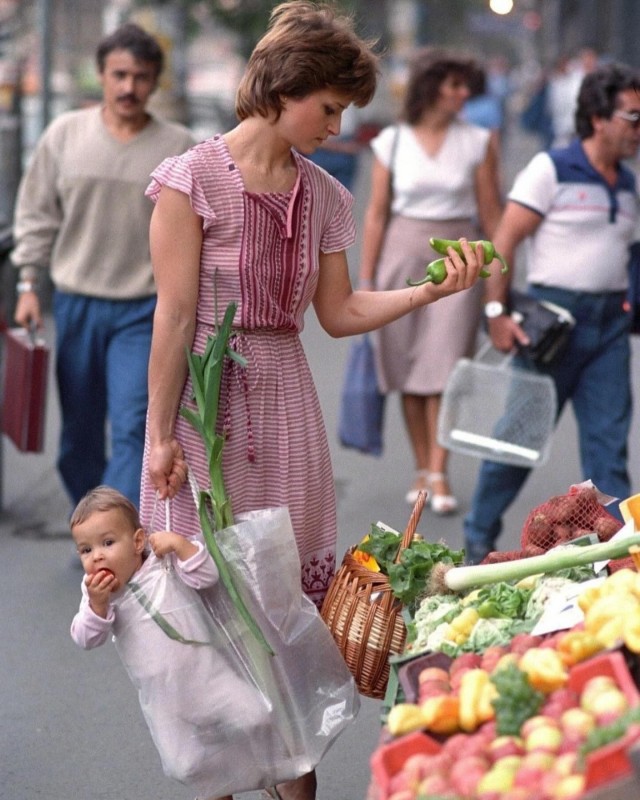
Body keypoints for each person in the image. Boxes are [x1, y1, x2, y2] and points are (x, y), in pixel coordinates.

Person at [139, 4, 485, 799]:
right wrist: (159, 436)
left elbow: (340, 311)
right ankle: (222, 779)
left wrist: (428, 290)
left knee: (285, 611)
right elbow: (177, 316)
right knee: (208, 607)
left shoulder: (326, 193)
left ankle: (295, 773)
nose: (337, 126)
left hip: (286, 402)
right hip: (204, 405)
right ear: (285, 88)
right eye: (329, 108)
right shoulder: (189, 181)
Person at [11, 22, 196, 509]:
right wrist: (28, 284)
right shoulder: (64, 135)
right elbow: (36, 214)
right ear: (101, 75)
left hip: (144, 309)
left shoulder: (179, 146)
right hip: (76, 303)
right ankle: (92, 523)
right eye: (119, 75)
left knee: (134, 425)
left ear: (154, 81)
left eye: (141, 76)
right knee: (79, 433)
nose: (129, 87)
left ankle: (117, 529)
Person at [464, 62, 640, 565]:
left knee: (609, 451)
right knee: (517, 443)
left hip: (609, 332)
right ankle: (477, 542)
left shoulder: (627, 183)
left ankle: (619, 562)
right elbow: (504, 242)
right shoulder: (551, 168)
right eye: (632, 117)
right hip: (551, 329)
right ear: (598, 118)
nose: (639, 129)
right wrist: (496, 312)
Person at [358, 47, 503, 514]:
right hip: (401, 252)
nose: (463, 94)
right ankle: (422, 466)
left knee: (445, 367)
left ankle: (439, 471)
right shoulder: (392, 141)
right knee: (407, 368)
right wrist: (367, 278)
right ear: (431, 86)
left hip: (458, 256)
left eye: (466, 86)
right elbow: (376, 214)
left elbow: (492, 214)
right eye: (454, 85)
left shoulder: (478, 140)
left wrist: (498, 279)